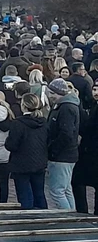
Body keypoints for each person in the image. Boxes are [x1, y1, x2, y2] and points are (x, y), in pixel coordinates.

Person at [5, 94, 49, 209]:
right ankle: (44, 219)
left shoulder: (18, 123)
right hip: (39, 162)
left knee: (25, 196)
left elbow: (11, 145)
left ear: (23, 105)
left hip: (21, 164)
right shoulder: (43, 122)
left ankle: (28, 220)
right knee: (39, 194)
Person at [46, 78, 80, 210]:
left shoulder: (65, 108)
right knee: (66, 189)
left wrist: (53, 150)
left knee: (57, 191)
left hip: (61, 156)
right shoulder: (68, 106)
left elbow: (66, 133)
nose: (50, 96)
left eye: (52, 93)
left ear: (59, 93)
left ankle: (66, 217)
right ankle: (72, 216)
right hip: (67, 154)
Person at [73, 82, 98, 214]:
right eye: (94, 89)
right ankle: (84, 211)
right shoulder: (94, 105)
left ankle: (85, 212)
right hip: (89, 151)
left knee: (78, 181)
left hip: (92, 151)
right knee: (78, 181)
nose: (95, 92)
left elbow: (88, 128)